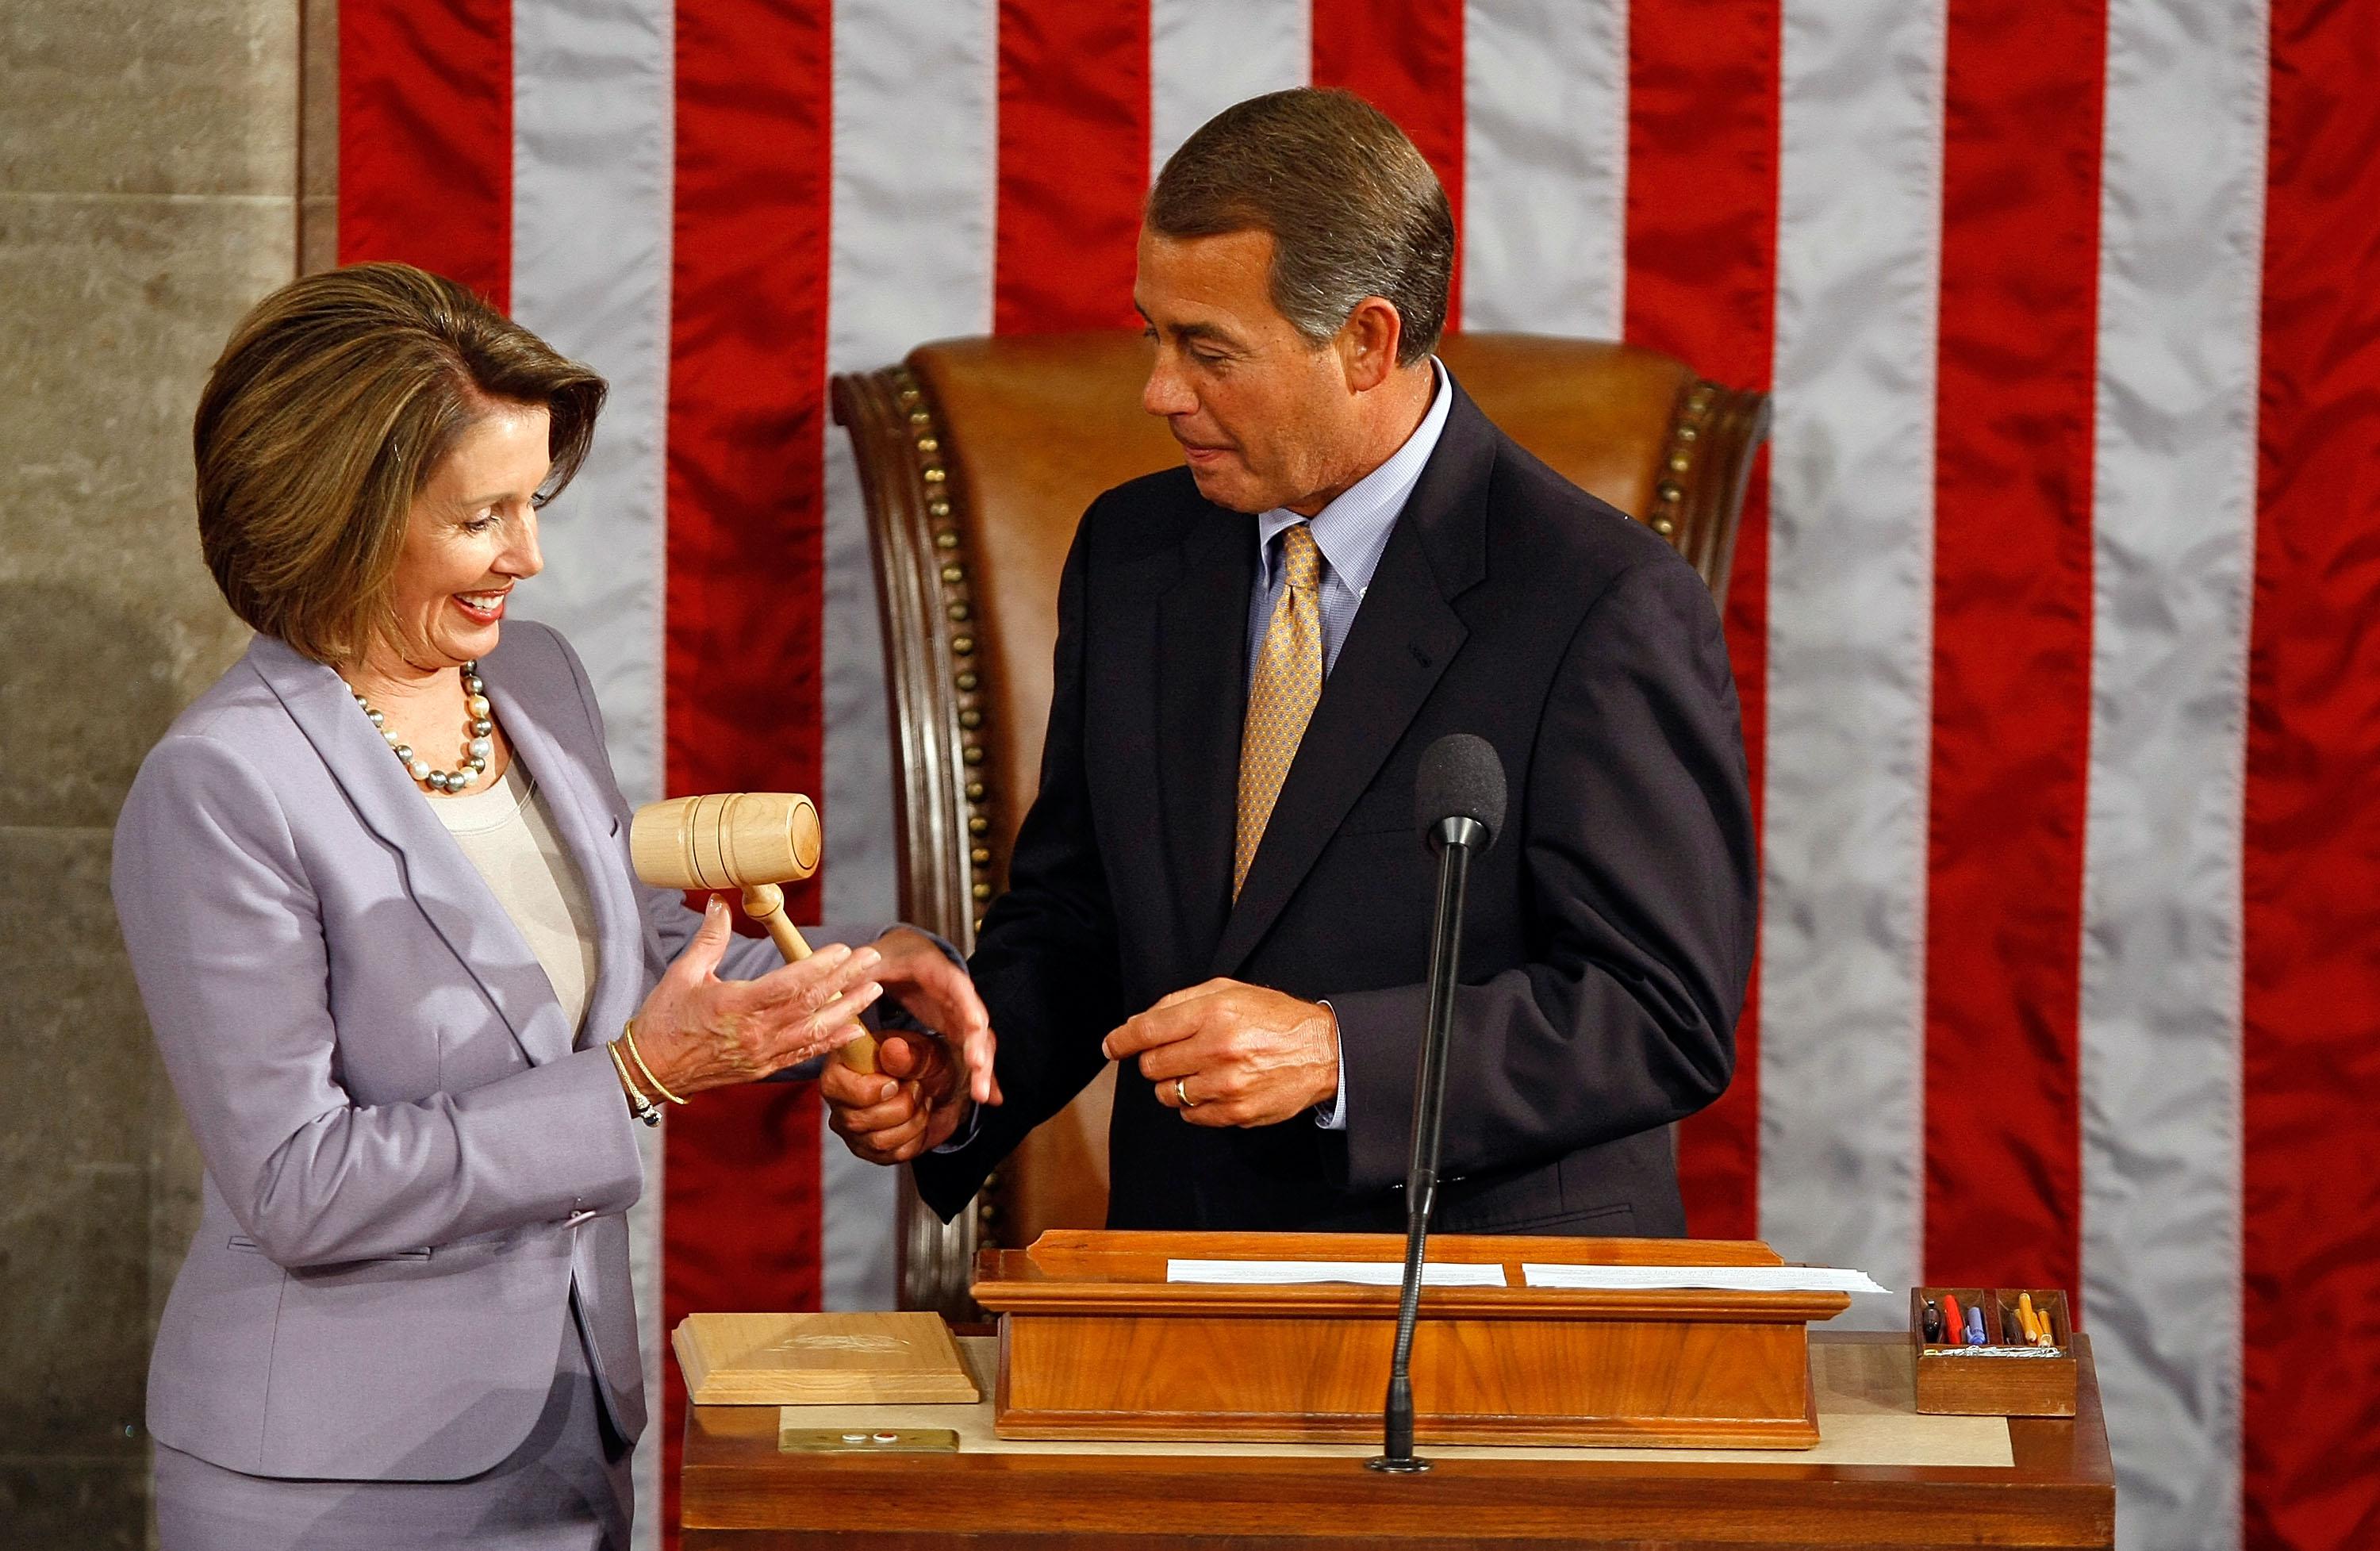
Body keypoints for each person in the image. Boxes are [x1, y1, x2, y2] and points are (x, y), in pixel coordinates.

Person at [113, 263, 989, 1550]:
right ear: (340, 516)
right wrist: (634, 1079)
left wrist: (843, 983)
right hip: (335, 1483)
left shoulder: (533, 675)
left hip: (572, 1437)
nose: (528, 556)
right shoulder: (220, 784)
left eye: (534, 504)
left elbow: (610, 976)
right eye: (483, 518)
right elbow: (299, 1182)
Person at [823, 87, 1756, 1238]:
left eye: (1210, 352)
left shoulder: (1601, 600)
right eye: (1155, 336)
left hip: (1487, 1324)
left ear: (1365, 341)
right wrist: (956, 1062)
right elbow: (1085, 915)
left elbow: (1661, 1014)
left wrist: (1337, 1052)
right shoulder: (1134, 552)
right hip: (1184, 1300)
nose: (1161, 391)